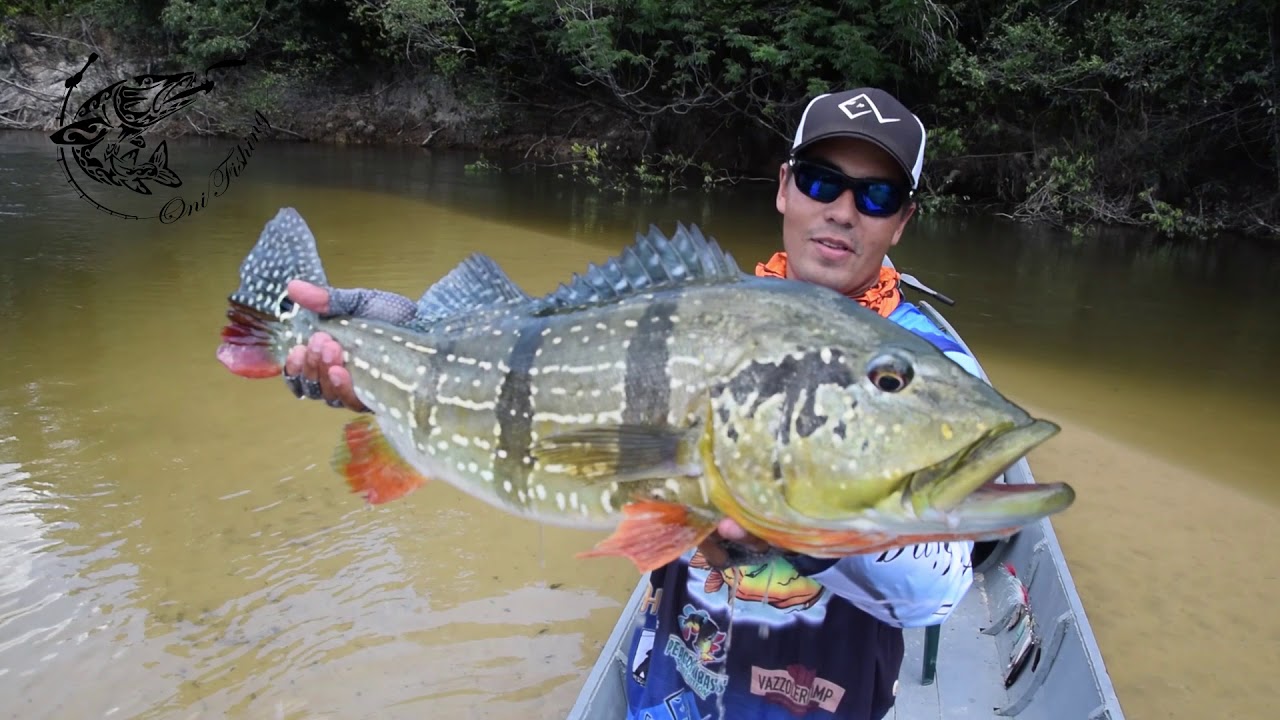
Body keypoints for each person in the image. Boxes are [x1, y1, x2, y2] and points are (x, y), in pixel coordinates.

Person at [280, 88, 984, 720]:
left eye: (876, 196)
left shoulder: (931, 370)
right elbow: (545, 386)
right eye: (821, 180)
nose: (841, 210)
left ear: (902, 221)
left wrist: (799, 534)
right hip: (668, 698)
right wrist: (405, 351)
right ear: (785, 188)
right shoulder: (686, 312)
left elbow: (938, 588)